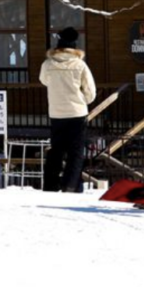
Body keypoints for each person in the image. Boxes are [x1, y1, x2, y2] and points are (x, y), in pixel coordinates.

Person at [39, 26, 97, 192]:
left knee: (56, 150)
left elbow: (44, 80)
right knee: (75, 152)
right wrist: (81, 101)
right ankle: (70, 185)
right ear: (75, 46)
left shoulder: (48, 64)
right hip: (77, 113)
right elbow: (90, 92)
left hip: (56, 113)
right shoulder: (80, 65)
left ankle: (50, 185)